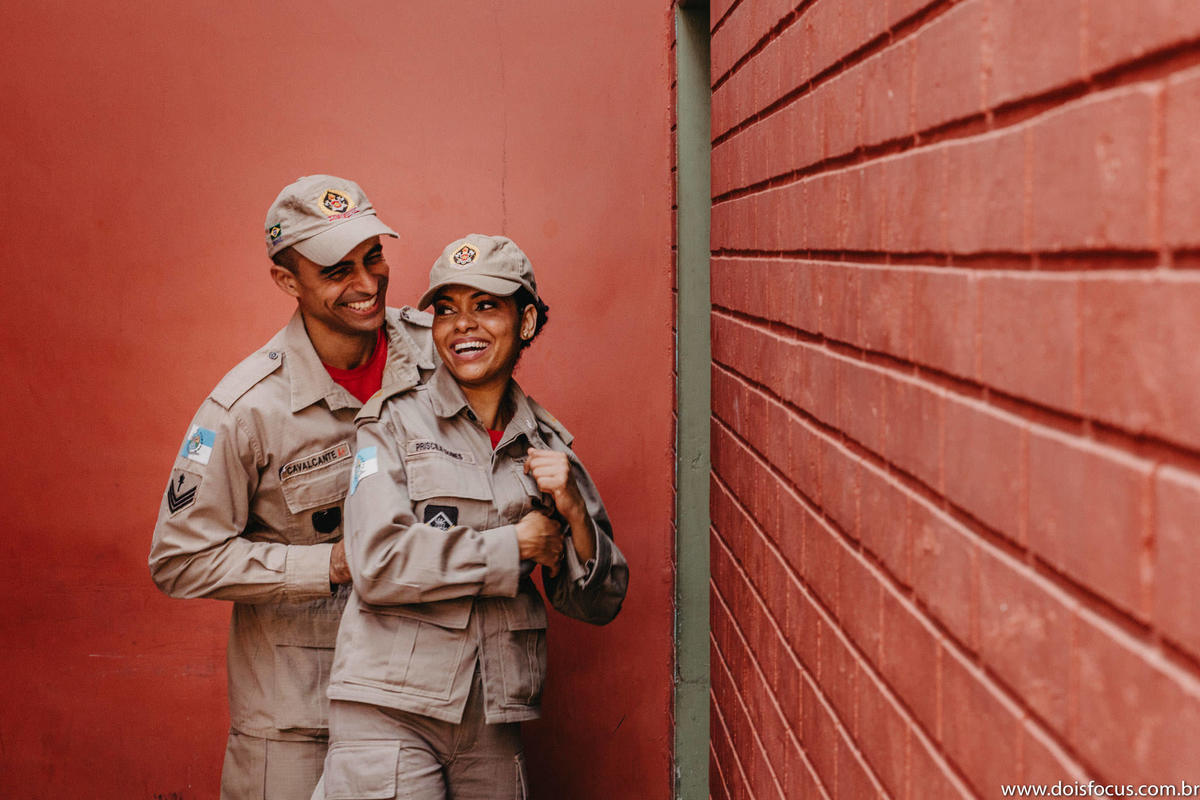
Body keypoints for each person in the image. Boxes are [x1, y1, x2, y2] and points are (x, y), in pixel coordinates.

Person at [149, 175, 436, 800]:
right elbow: (179, 559)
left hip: (429, 699)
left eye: (374, 257)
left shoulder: (438, 352)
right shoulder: (243, 411)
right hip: (300, 722)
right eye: (337, 270)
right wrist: (329, 564)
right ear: (288, 281)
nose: (367, 284)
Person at [315, 234, 628, 800]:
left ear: (526, 321)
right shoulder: (389, 425)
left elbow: (599, 602)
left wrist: (575, 511)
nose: (463, 325)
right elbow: (378, 562)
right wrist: (518, 545)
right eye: (447, 309)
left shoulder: (546, 445)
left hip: (492, 717)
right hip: (390, 712)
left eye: (486, 306)